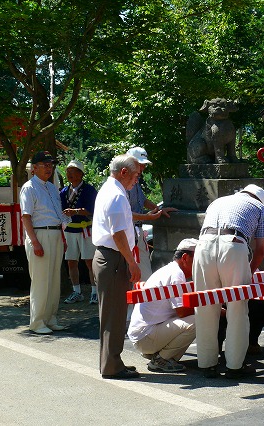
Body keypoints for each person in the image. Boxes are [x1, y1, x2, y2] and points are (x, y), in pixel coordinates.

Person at [193, 184, 264, 379]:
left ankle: (206, 364)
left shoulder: (218, 202)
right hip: (234, 245)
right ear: (260, 199)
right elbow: (261, 249)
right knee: (237, 307)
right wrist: (249, 273)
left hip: (203, 246)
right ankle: (235, 365)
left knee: (204, 306)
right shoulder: (260, 207)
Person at [92, 154, 142, 380]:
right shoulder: (116, 195)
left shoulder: (110, 190)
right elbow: (118, 233)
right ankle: (111, 364)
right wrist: (132, 262)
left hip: (110, 257)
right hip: (113, 258)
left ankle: (112, 361)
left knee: (113, 312)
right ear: (124, 172)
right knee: (114, 313)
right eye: (135, 175)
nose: (136, 181)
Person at [128, 238, 198, 373]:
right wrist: (214, 309)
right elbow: (182, 312)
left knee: (197, 317)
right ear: (185, 258)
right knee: (200, 320)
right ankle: (162, 359)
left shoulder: (170, 269)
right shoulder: (176, 274)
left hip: (143, 333)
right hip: (145, 336)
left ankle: (160, 355)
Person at [20, 151, 70, 335]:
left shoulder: (51, 188)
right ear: (34, 168)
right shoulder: (29, 187)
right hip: (40, 234)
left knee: (54, 280)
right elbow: (26, 217)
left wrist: (63, 236)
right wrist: (35, 242)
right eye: (44, 165)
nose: (48, 168)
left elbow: (57, 214)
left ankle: (50, 318)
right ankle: (37, 321)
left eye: (50, 165)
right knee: (41, 280)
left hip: (55, 234)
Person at [125, 146, 176, 281]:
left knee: (144, 271)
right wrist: (147, 217)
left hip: (137, 230)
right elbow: (124, 214)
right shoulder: (122, 183)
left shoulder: (135, 181)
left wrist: (159, 209)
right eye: (140, 164)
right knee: (133, 272)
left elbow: (143, 200)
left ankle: (143, 300)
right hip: (126, 232)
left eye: (143, 165)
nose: (142, 168)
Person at [60, 159, 98, 305]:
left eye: (73, 171)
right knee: (71, 262)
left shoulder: (89, 190)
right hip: (69, 229)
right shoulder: (64, 191)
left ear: (80, 174)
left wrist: (75, 211)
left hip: (85, 229)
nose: (69, 173)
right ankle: (77, 291)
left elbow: (92, 209)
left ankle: (94, 291)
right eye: (68, 171)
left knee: (89, 261)